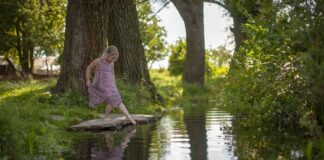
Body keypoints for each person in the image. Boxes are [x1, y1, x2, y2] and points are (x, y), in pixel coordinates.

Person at [86, 45, 136, 125]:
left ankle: (110, 116)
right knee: (112, 99)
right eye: (112, 58)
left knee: (115, 100)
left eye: (115, 59)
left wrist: (115, 86)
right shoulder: (99, 61)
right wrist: (88, 79)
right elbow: (89, 68)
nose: (113, 60)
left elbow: (112, 74)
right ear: (107, 54)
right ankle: (128, 117)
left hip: (110, 85)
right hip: (101, 85)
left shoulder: (112, 63)